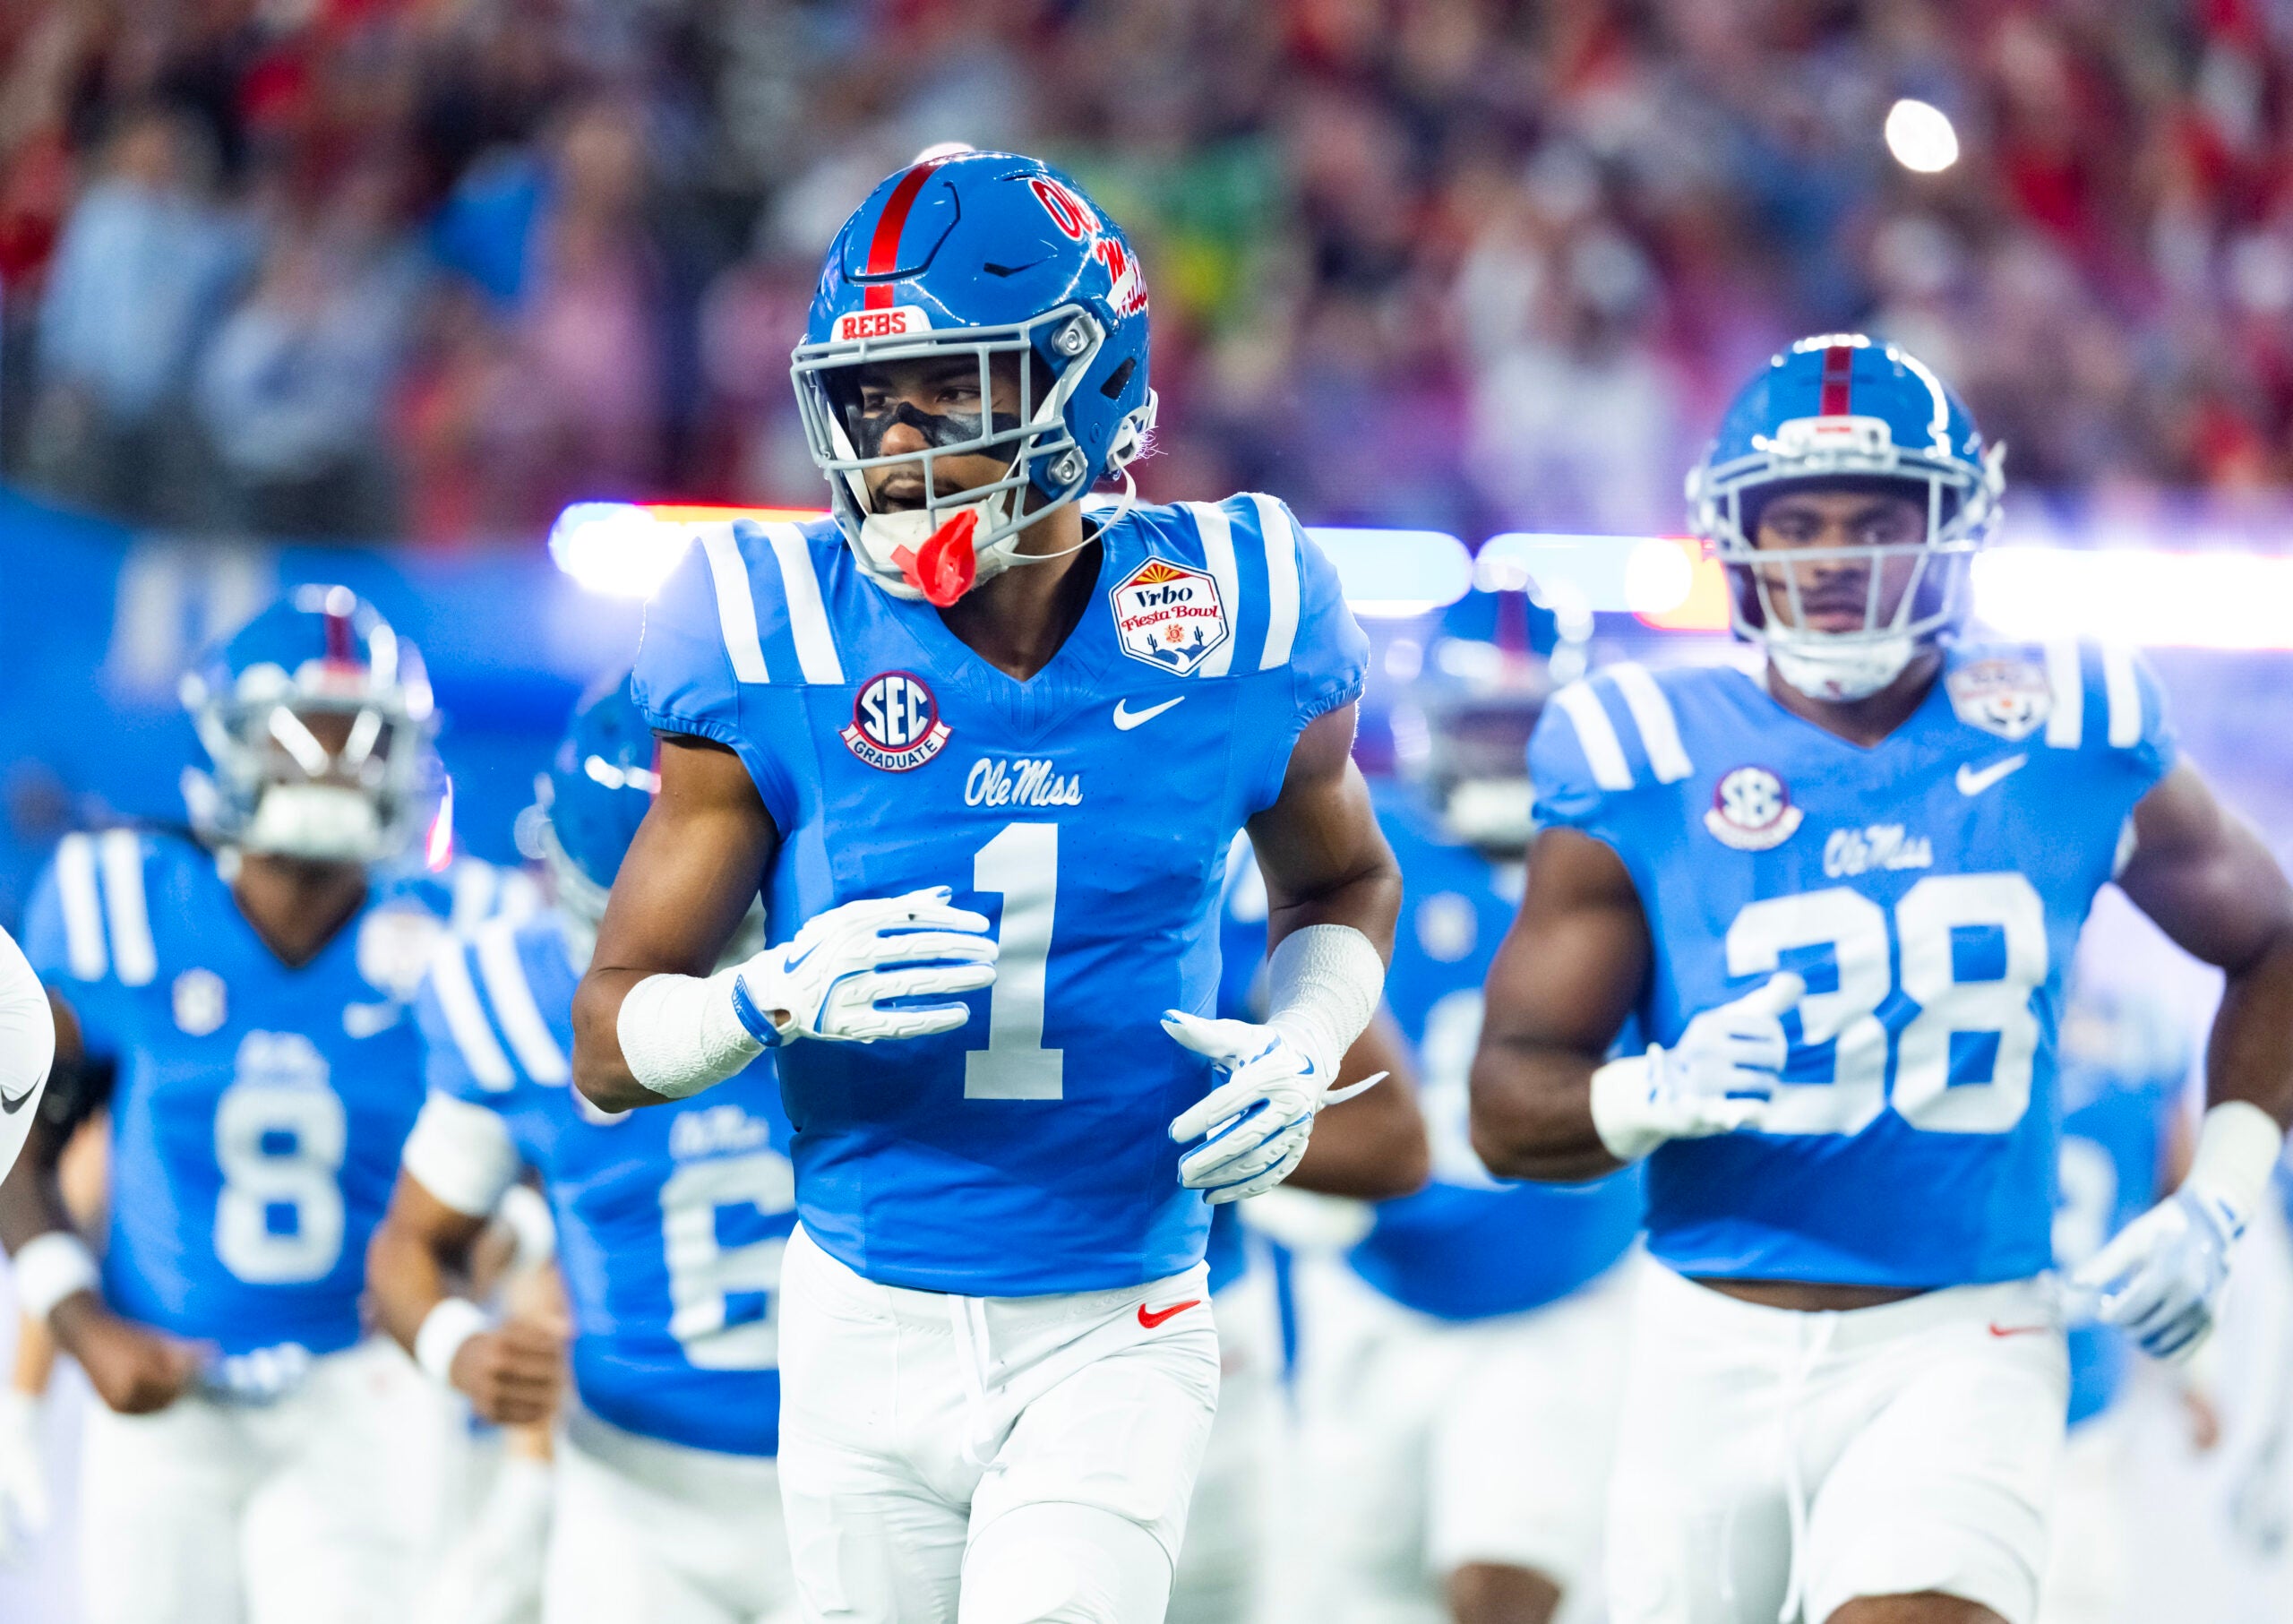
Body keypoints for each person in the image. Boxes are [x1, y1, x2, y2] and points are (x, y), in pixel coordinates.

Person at [570, 150, 1401, 1624]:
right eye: (866, 398)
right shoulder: (765, 627)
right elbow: (608, 1039)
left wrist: (1308, 1038)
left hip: (1117, 1308)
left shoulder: (1244, 606)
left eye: (948, 389)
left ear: (1087, 379)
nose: (894, 440)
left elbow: (1339, 878)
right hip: (856, 1311)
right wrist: (764, 996)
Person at [1469, 333, 2293, 1624]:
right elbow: (1509, 1103)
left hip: (1966, 1335)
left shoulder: (2072, 727)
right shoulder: (1642, 748)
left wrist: (2222, 1201)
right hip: (1703, 1340)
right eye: (1796, 522)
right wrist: (1650, 1093)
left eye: (1878, 520)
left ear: (1955, 533)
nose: (1837, 559)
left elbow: (2274, 939)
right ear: (1736, 539)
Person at [0, 587, 523, 1624]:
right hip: (164, 1378)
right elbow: (16, 1130)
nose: (330, 763)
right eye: (298, 733)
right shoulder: (122, 903)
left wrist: (464, 1291)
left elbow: (539, 1155)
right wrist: (78, 1318)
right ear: (227, 743)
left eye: (367, 737)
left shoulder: (464, 932)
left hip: (366, 1390)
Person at [369, 674, 799, 1624]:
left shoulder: (840, 963)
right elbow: (409, 1246)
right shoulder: (510, 998)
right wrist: (459, 1347)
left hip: (857, 1474)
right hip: (629, 1500)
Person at [1254, 645, 1643, 1624]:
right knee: (1357, 1591)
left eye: (1531, 730)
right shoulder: (1358, 859)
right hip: (1372, 1283)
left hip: (1560, 1282)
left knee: (1504, 1588)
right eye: (1486, 725)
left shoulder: (1632, 860)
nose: (1507, 755)